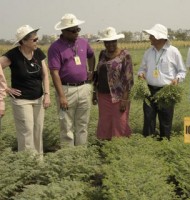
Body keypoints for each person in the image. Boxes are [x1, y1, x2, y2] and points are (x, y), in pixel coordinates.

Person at [0, 25, 51, 154]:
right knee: (26, 132)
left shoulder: (38, 53)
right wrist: (6, 88)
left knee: (37, 131)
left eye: (37, 39)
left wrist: (47, 94)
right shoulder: (13, 55)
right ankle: (28, 164)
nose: (37, 41)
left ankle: (39, 164)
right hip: (22, 101)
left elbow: (45, 74)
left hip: (38, 99)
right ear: (23, 41)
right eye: (34, 39)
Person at [48, 13, 96, 147]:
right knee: (66, 127)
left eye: (78, 29)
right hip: (66, 90)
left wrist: (91, 71)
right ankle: (69, 156)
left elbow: (91, 56)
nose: (76, 33)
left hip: (84, 87)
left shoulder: (83, 42)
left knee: (82, 125)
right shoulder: (55, 47)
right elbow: (54, 72)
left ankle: (81, 154)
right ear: (63, 31)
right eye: (73, 30)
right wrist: (62, 96)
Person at [138, 24, 186, 140]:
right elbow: (141, 69)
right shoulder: (148, 52)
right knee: (149, 119)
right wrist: (141, 74)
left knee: (166, 120)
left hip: (166, 91)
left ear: (159, 37)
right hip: (149, 90)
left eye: (151, 36)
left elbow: (182, 71)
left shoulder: (173, 52)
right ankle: (149, 145)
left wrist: (177, 79)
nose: (149, 38)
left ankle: (164, 143)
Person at [93, 27, 134, 140]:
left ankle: (119, 147)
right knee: (104, 122)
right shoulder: (102, 54)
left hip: (119, 96)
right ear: (104, 43)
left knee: (120, 122)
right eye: (107, 42)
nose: (110, 44)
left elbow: (128, 79)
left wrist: (124, 100)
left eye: (113, 41)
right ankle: (105, 147)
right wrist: (94, 92)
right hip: (103, 95)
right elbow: (98, 73)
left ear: (116, 41)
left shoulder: (125, 55)